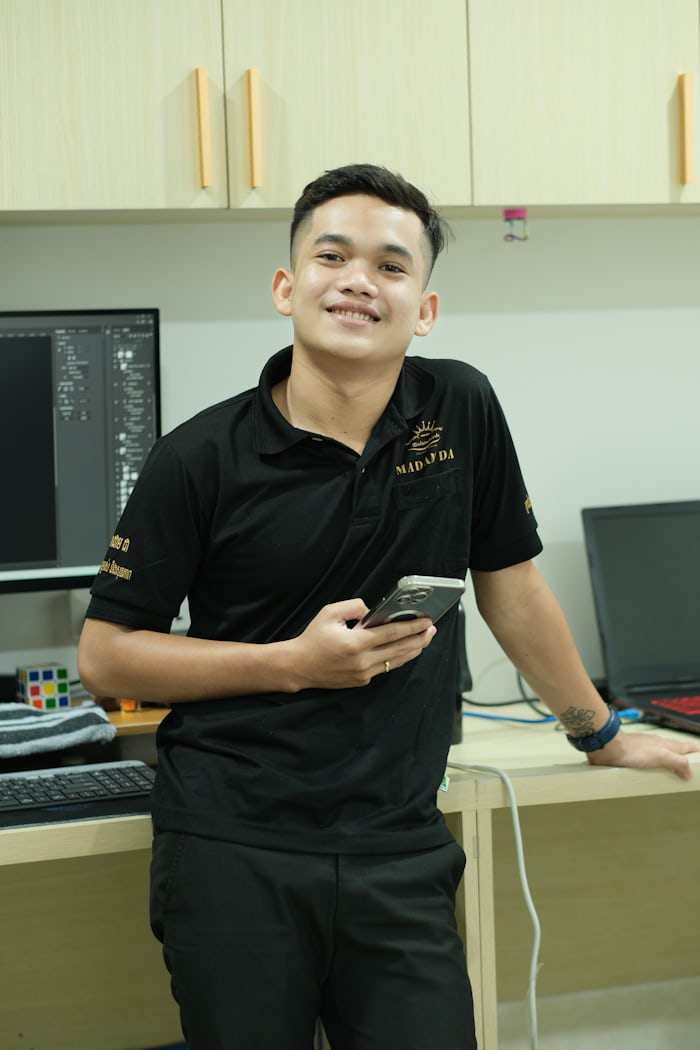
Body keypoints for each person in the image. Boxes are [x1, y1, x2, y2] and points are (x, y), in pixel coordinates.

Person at [77, 163, 698, 1050]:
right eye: (332, 257)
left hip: (399, 840)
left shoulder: (460, 407)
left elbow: (512, 586)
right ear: (287, 287)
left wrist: (598, 732)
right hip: (233, 842)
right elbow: (106, 656)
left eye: (391, 265)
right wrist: (292, 665)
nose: (359, 280)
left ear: (425, 309)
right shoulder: (199, 457)